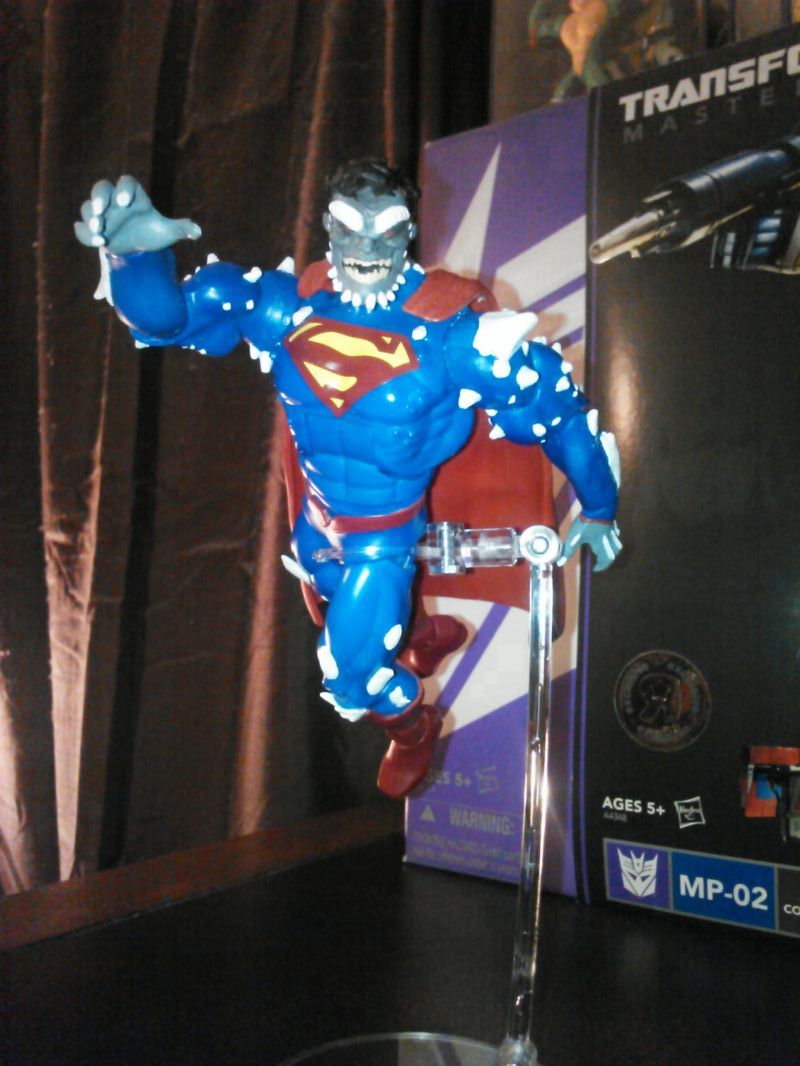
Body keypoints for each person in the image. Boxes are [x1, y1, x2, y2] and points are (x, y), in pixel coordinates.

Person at [75, 158, 621, 798]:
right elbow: (168, 320)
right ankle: (419, 633)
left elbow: (559, 413)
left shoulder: (453, 343)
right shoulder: (286, 312)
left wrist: (600, 505)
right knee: (344, 606)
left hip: (383, 539)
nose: (367, 245)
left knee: (352, 678)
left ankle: (413, 729)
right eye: (349, 226)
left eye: (385, 228)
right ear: (328, 227)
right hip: (316, 523)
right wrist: (132, 258)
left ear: (407, 231)